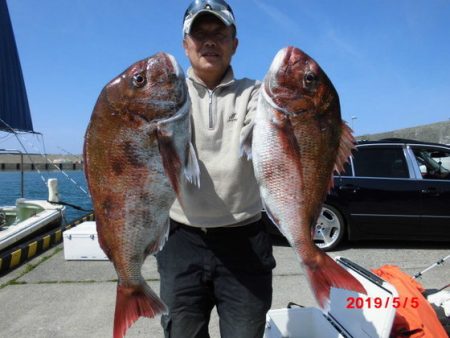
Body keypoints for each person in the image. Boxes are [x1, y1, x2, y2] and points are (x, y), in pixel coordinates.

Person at [156, 1, 276, 337]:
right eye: (199, 33)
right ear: (185, 44)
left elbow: (272, 136)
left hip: (245, 239)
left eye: (219, 33)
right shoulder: (166, 94)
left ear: (234, 44)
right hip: (180, 238)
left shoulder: (256, 94)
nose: (209, 41)